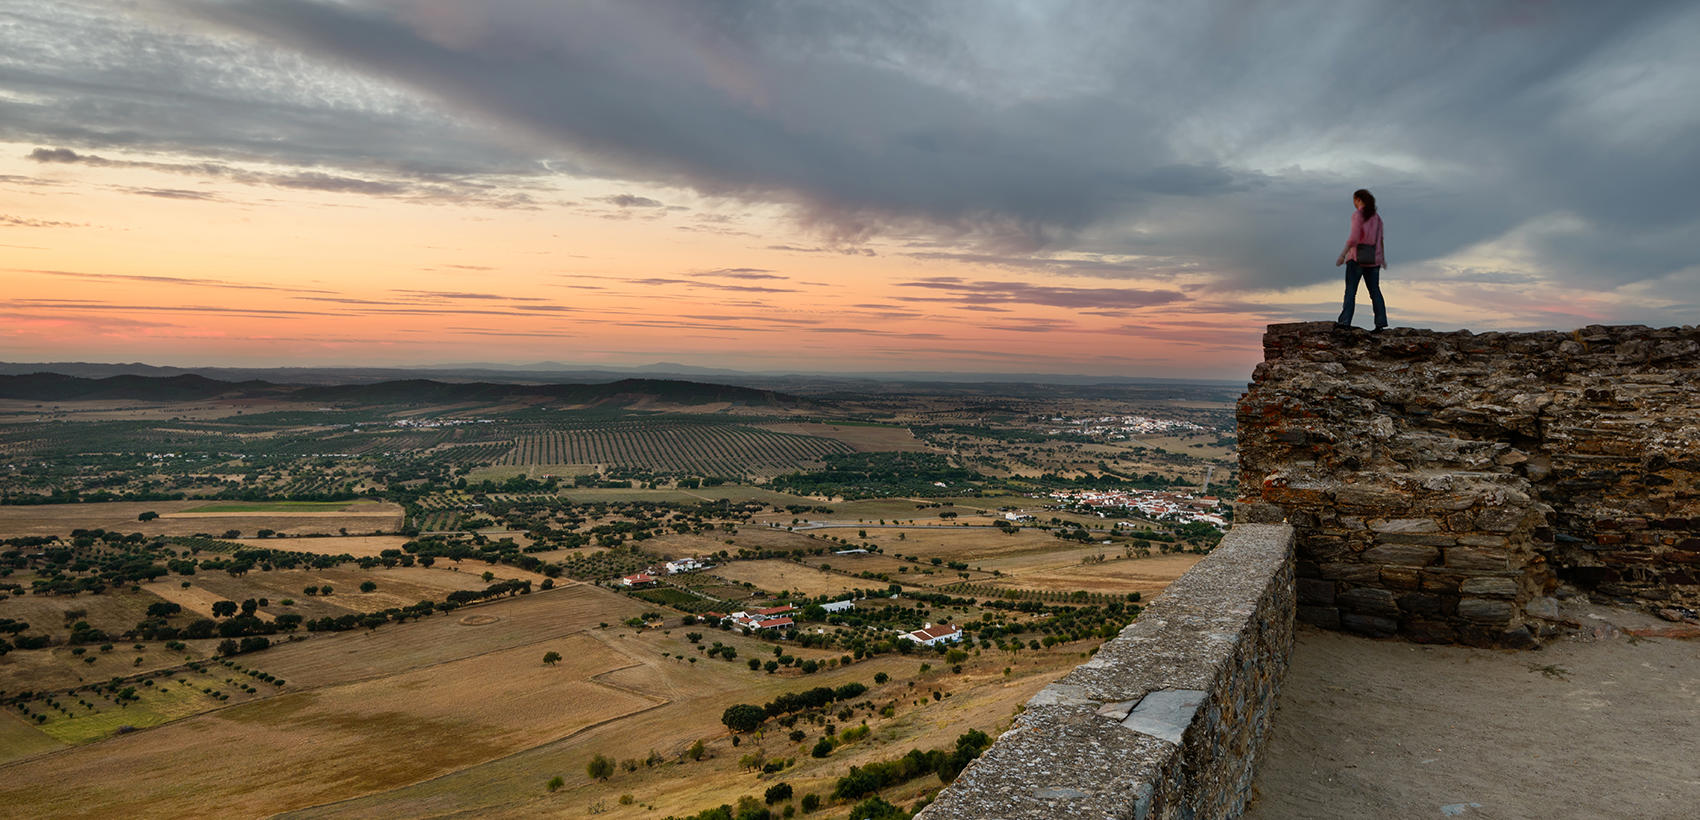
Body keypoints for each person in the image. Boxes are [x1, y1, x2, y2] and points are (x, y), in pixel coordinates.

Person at [1335, 188, 1387, 331]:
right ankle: (1380, 323)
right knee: (1375, 291)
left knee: (1351, 291)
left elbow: (1354, 238)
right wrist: (1382, 258)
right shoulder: (1377, 218)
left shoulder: (1358, 215)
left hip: (1356, 258)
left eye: (1354, 200)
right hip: (1373, 260)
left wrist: (1343, 254)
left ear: (1358, 200)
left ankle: (1345, 322)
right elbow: (1380, 239)